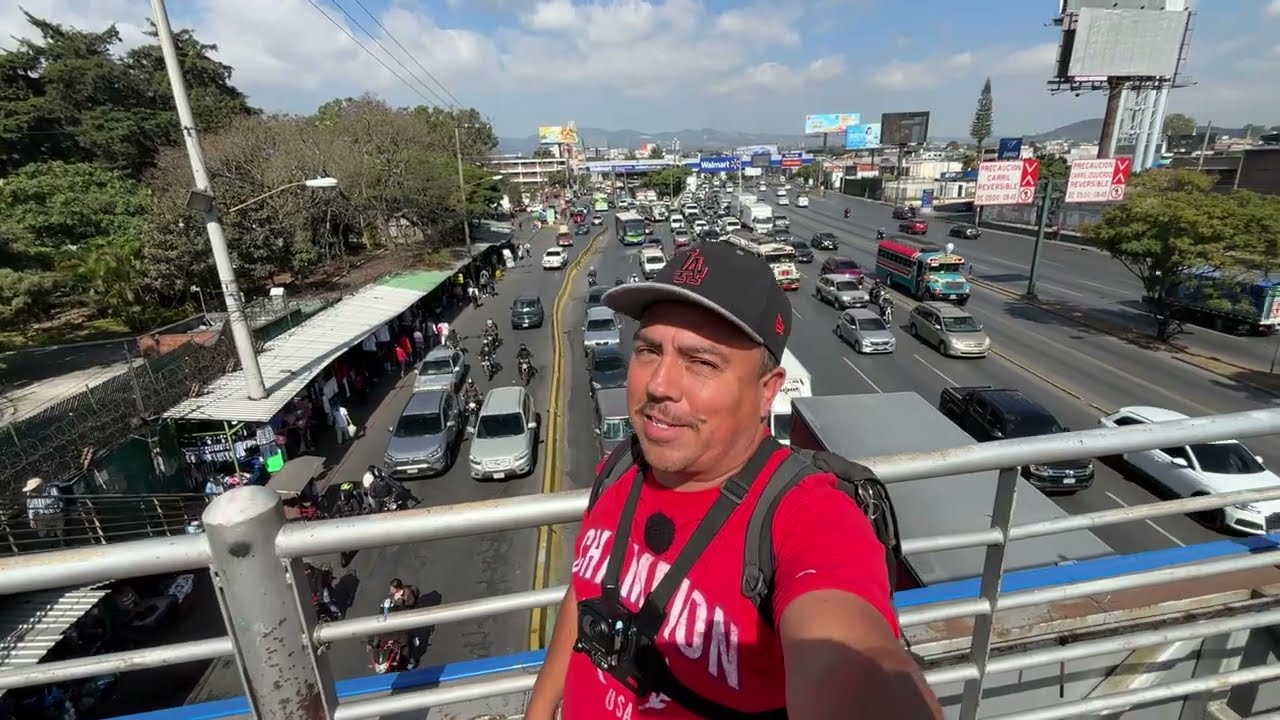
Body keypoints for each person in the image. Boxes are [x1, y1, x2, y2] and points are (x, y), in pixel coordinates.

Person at [526, 243, 940, 720]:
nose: (659, 384)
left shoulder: (806, 519)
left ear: (767, 391)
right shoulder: (622, 467)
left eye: (701, 362)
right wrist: (539, 710)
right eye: (648, 350)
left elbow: (854, 661)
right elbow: (587, 591)